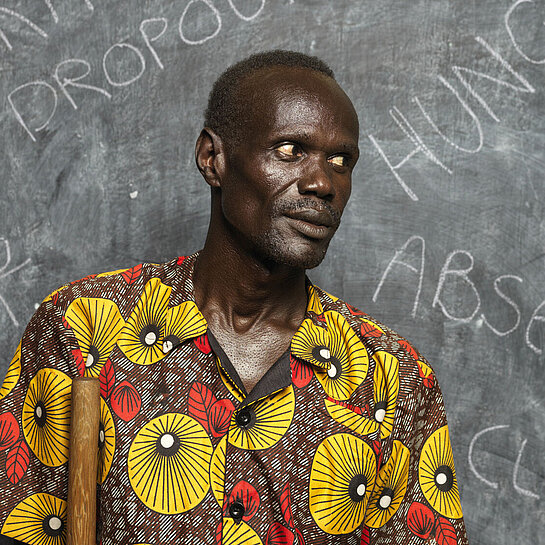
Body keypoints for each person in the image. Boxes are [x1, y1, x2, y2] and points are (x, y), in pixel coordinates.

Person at [0, 51, 469, 544]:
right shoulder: (82, 329)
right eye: (289, 150)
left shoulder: (395, 379)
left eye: (340, 161)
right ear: (213, 159)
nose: (322, 183)